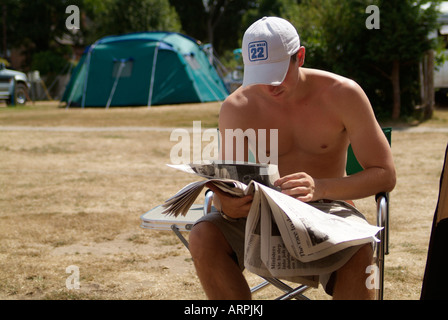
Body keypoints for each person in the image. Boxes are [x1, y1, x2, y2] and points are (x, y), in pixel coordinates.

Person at [189, 16, 396, 300]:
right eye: (260, 77)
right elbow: (232, 182)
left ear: (299, 56)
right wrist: (228, 203)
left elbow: (385, 173)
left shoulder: (343, 94)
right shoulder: (237, 106)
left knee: (360, 250)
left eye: (276, 74)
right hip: (264, 212)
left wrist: (321, 188)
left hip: (329, 207)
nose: (270, 86)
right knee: (203, 237)